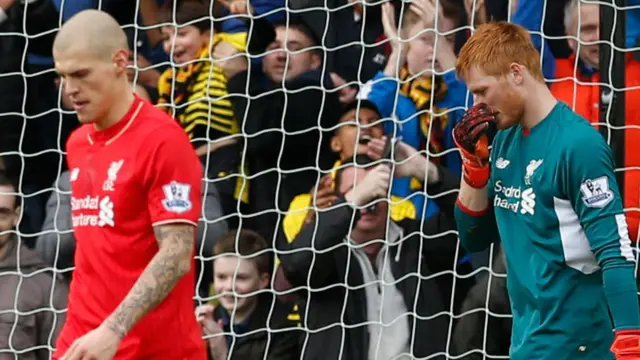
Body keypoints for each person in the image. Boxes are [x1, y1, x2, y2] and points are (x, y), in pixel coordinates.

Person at [452, 21, 640, 360]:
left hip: (578, 346)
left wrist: (629, 344)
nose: (477, 105)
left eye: (482, 91)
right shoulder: (503, 141)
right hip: (527, 342)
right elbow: (473, 238)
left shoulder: (577, 145)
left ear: (516, 73)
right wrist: (473, 168)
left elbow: (615, 251)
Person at [50, 9, 206, 360]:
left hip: (152, 349)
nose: (71, 90)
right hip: (82, 342)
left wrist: (113, 329)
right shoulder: (77, 143)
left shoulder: (163, 140)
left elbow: (177, 252)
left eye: (81, 74)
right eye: (63, 77)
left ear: (120, 61)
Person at [195, 230, 301, 360]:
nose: (229, 286)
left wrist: (223, 355)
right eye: (221, 277)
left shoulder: (283, 329)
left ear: (263, 281)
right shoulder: (207, 321)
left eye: (241, 278)